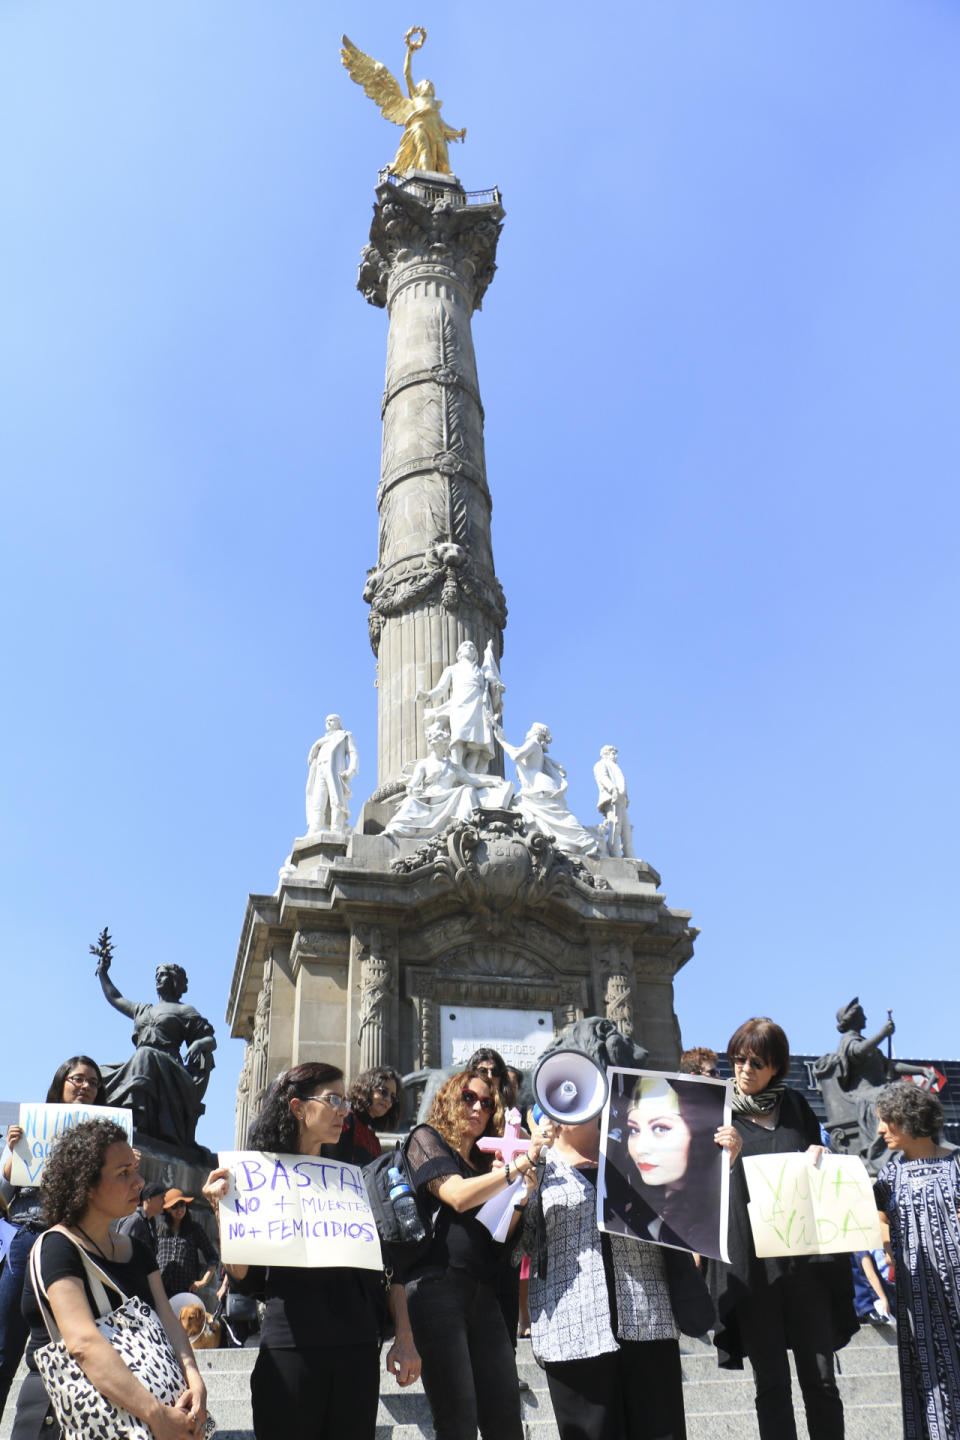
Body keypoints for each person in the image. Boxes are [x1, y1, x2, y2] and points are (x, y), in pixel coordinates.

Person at [203, 1062, 420, 1440]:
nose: (343, 1110)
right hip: (290, 1349)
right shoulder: (258, 1179)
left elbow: (389, 1266)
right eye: (333, 1099)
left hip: (355, 1349)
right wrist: (223, 1215)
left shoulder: (356, 1177)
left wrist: (405, 1336)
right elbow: (244, 1275)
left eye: (344, 1101)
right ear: (298, 1107)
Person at [517, 1109, 712, 1440]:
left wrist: (722, 1164)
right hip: (573, 1334)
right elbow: (520, 1248)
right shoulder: (537, 1167)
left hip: (647, 1323)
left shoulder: (637, 1156)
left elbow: (686, 1212)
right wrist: (523, 1193)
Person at [10, 1117, 206, 1440]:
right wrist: (156, 1415)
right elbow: (83, 1343)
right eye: (123, 1174)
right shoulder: (57, 1248)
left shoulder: (140, 1251)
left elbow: (170, 1322)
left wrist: (195, 1380)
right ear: (86, 1186)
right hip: (64, 1421)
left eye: (135, 1170)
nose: (139, 1182)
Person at [709, 1017, 856, 1440]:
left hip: (805, 1264)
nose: (745, 1069)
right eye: (738, 1059)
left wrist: (820, 1151)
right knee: (771, 1384)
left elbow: (818, 1159)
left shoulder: (795, 1106)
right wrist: (729, 1159)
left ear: (777, 1066)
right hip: (754, 1271)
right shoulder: (717, 1113)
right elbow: (698, 1187)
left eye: (757, 1061)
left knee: (822, 1382)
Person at [403, 1069, 547, 1440]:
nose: (478, 1108)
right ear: (450, 1097)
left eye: (487, 1102)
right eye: (469, 1097)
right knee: (457, 1421)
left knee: (505, 1420)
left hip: (484, 1292)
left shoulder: (489, 1164)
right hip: (436, 1287)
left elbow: (501, 1237)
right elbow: (456, 1195)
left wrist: (522, 1196)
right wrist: (516, 1168)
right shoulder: (425, 1139)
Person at [0, 1055, 106, 1423]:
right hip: (28, 1236)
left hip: (72, 1247)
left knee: (65, 1346)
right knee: (4, 1343)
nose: (86, 1087)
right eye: (78, 1079)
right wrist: (12, 1152)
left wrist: (125, 1166)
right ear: (61, 1082)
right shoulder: (31, 1130)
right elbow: (5, 1193)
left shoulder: (105, 1138)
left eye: (93, 1082)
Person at [874, 1081, 960, 1439]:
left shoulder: (956, 1165)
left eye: (886, 1121)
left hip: (956, 1287)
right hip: (918, 1297)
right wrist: (887, 1242)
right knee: (930, 1372)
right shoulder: (888, 1177)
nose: (879, 1130)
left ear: (908, 1120)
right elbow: (878, 1218)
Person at [602, 1073, 740, 1259]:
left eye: (660, 1128)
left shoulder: (714, 1220)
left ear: (697, 1134)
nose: (640, 1148)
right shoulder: (631, 1210)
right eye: (634, 1130)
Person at [96, 957, 216, 1150]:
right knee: (99, 1073)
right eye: (156, 976)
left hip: (169, 1067)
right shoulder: (143, 1009)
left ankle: (137, 1119)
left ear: (173, 980)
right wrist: (103, 973)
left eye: (163, 976)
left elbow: (211, 1040)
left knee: (145, 1055)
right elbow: (116, 998)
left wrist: (198, 1043)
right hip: (140, 1063)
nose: (158, 980)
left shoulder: (185, 1010)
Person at [384, 722, 512, 840]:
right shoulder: (424, 764)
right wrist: (414, 790)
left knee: (467, 790)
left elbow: (472, 780)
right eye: (443, 744)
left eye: (446, 743)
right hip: (430, 797)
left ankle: (464, 826)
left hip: (449, 797)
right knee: (410, 802)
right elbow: (411, 787)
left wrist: (492, 782)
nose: (446, 747)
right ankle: (394, 830)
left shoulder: (453, 766)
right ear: (434, 744)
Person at [495, 722, 600, 857]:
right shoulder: (534, 745)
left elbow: (516, 755)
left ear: (536, 733)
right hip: (533, 789)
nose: (528, 732)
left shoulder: (533, 743)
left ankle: (587, 842)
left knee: (559, 816)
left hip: (540, 786)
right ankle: (563, 843)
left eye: (530, 730)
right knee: (536, 813)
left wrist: (501, 740)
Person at [417, 640, 501, 772]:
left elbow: (490, 683)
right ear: (459, 653)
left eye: (472, 647)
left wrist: (495, 686)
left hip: (478, 706)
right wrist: (428, 695)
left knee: (478, 742)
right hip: (460, 704)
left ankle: (471, 773)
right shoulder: (452, 669)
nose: (469, 648)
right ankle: (456, 768)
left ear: (476, 655)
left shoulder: (480, 671)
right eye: (466, 646)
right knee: (458, 736)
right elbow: (441, 689)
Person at [330, 1066, 404, 1168]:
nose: (388, 1100)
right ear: (367, 1088)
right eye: (383, 1092)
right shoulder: (345, 1119)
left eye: (393, 1097)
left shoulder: (373, 1138)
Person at [156, 1190, 219, 1301]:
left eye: (182, 1205)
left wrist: (203, 1282)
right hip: (161, 1290)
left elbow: (213, 1258)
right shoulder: (160, 1230)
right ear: (167, 1210)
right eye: (175, 1206)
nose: (180, 1209)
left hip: (186, 1291)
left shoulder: (195, 1229)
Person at [305, 714, 359, 836]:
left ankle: (336, 828)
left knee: (336, 799)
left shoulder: (345, 735)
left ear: (339, 723)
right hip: (320, 770)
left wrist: (352, 770)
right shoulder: (320, 742)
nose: (328, 722)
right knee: (318, 800)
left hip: (335, 770)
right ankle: (315, 828)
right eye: (327, 721)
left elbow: (353, 753)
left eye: (332, 720)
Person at [593, 744, 635, 858]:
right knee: (615, 826)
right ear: (606, 754)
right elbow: (603, 777)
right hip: (612, 798)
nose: (615, 756)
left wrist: (625, 797)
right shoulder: (601, 764)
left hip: (621, 799)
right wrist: (612, 789)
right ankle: (614, 853)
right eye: (613, 753)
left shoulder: (614, 766)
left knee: (626, 829)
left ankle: (629, 854)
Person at [117, 1179, 166, 1261]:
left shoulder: (151, 1222)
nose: (164, 1202)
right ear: (149, 1199)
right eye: (161, 1198)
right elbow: (121, 1250)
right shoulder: (135, 1220)